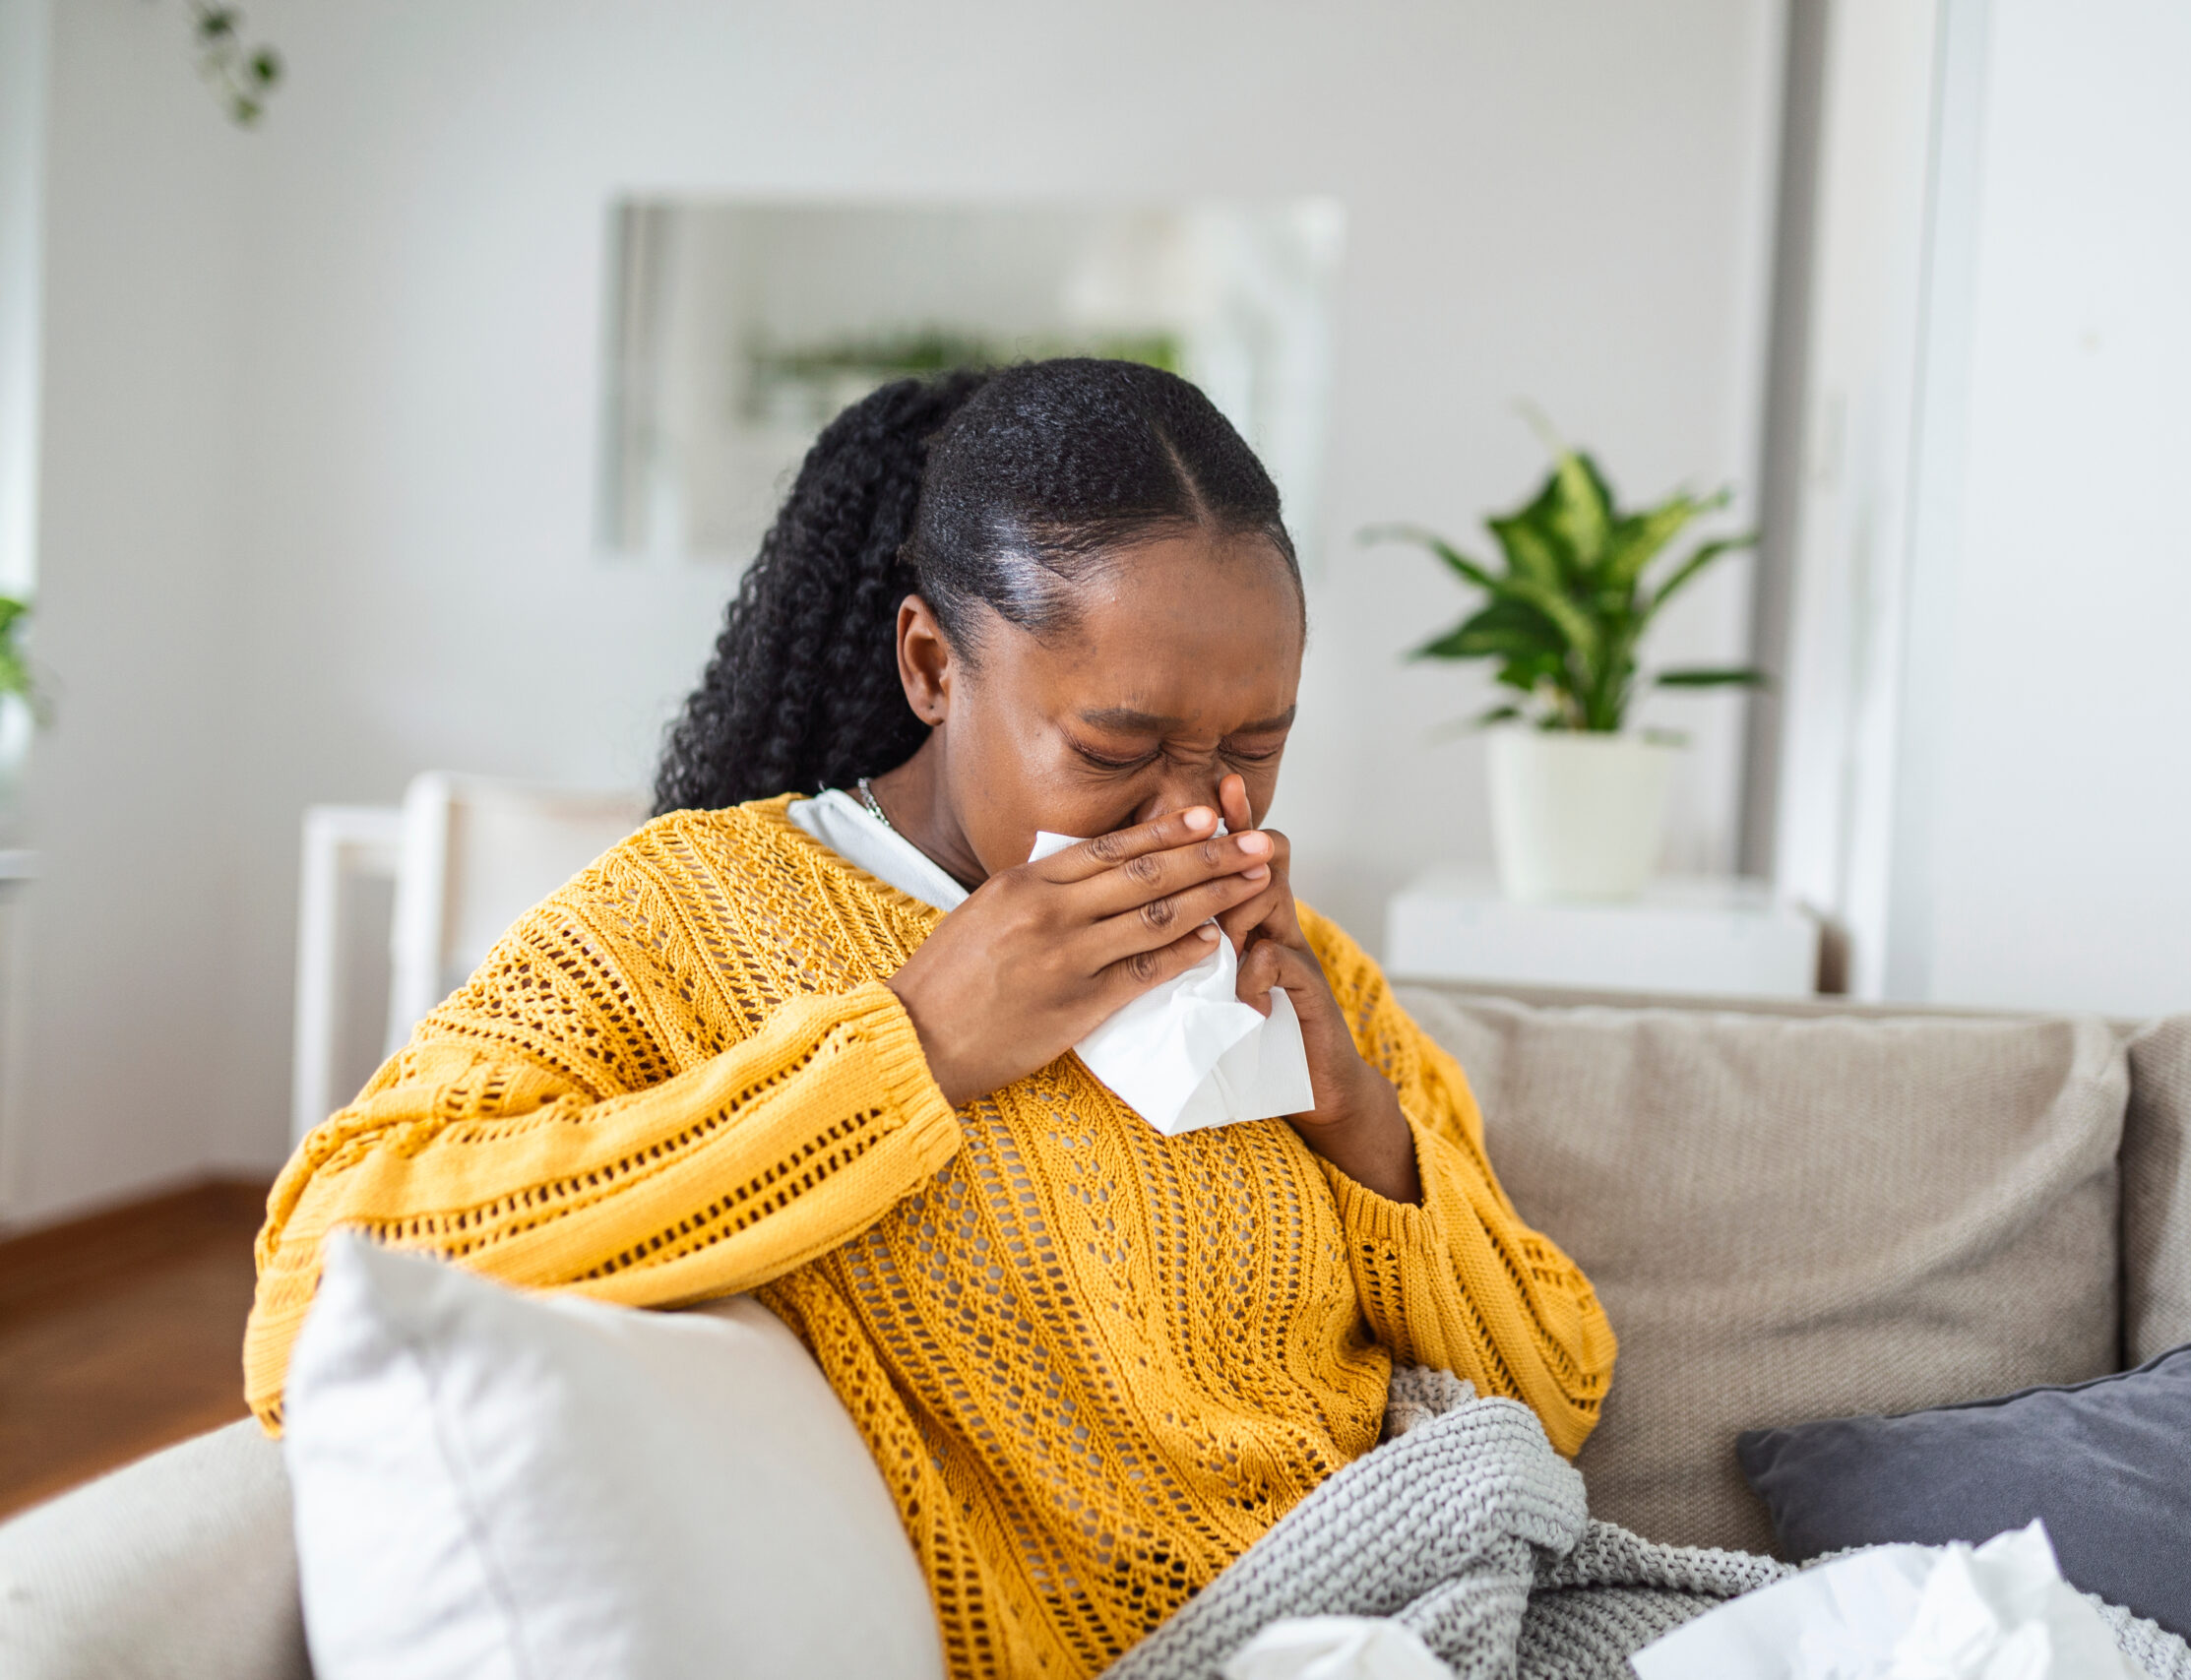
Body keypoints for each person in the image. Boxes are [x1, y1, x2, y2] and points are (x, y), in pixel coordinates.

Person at [245, 359, 1614, 1678]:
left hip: (1444, 1594)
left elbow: (1552, 1388)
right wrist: (913, 1048)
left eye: (1256, 749)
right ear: (930, 666)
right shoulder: (691, 920)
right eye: (1115, 753)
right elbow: (321, 1279)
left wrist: (1361, 1125)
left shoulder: (1309, 969)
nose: (1201, 818)